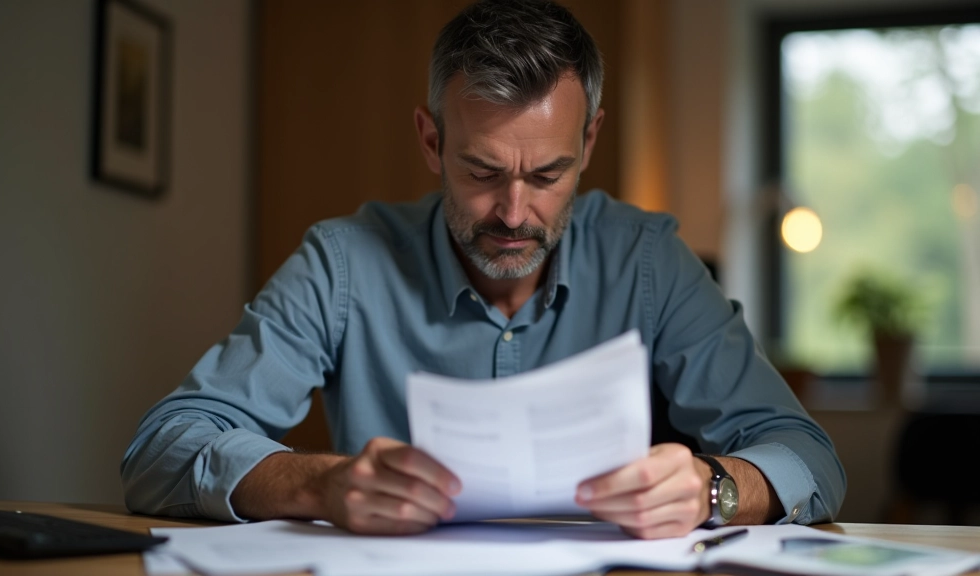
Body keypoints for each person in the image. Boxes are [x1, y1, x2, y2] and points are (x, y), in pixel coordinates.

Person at [121, 0, 845, 539]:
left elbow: (810, 457)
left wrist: (710, 488)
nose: (513, 211)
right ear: (431, 140)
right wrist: (324, 483)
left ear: (589, 141)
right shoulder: (344, 263)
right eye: (481, 170)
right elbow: (160, 449)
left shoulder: (648, 261)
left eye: (550, 173)